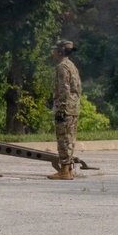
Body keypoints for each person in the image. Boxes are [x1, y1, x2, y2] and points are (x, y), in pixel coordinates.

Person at [49, 39, 81, 180]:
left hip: (65, 108)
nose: (54, 51)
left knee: (63, 139)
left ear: (61, 51)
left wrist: (61, 108)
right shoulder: (72, 66)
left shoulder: (62, 67)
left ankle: (64, 171)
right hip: (73, 108)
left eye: (56, 49)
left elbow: (63, 89)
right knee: (70, 139)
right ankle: (68, 169)